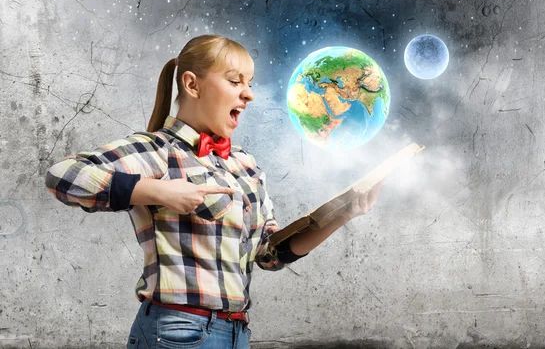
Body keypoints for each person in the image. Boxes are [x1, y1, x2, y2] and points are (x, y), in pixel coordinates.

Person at [45, 34, 384, 349]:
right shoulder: (158, 150)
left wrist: (344, 214)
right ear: (192, 84)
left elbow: (269, 255)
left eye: (250, 84)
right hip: (178, 331)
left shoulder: (245, 166)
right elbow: (62, 176)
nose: (248, 94)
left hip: (236, 333)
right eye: (235, 81)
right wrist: (160, 193)